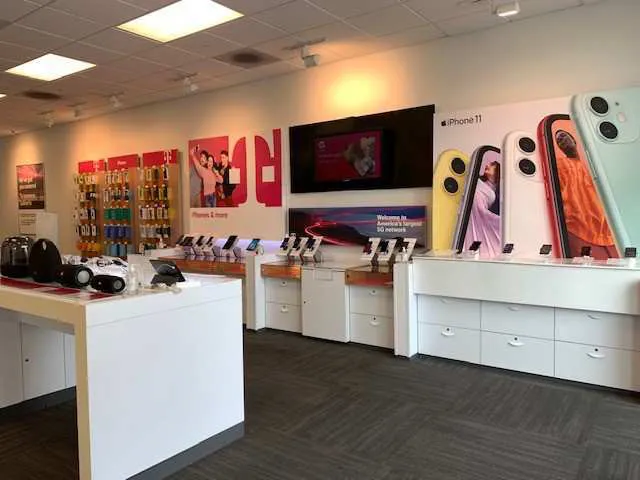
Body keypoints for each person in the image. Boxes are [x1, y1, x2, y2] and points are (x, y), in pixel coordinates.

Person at [555, 129, 617, 259]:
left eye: (563, 136)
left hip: (608, 229)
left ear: (574, 140)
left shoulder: (591, 164)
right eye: (558, 140)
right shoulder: (560, 164)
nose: (561, 140)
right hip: (578, 229)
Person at [466, 160, 501, 258]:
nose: (487, 165)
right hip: (466, 214)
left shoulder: (493, 193)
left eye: (492, 165)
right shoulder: (476, 180)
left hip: (479, 213)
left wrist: (502, 222)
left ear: (498, 170)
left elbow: (481, 209)